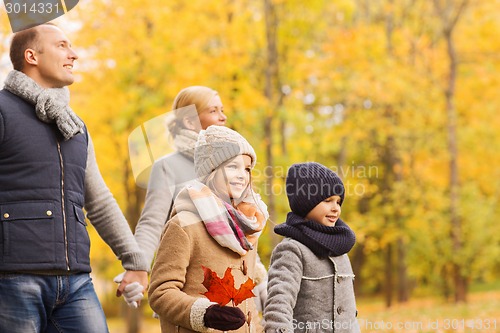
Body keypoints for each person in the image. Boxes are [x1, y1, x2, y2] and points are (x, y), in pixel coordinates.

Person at [0, 23, 148, 332]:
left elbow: (99, 199)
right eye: (62, 46)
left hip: (76, 282)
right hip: (12, 279)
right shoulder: (2, 111)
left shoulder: (75, 125)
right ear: (32, 56)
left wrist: (134, 261)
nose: (74, 55)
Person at [118, 86, 268, 311]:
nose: (223, 116)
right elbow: (152, 223)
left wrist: (261, 279)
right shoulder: (167, 166)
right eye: (214, 110)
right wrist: (138, 267)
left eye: (222, 110)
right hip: (193, 287)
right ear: (189, 122)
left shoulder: (233, 167)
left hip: (237, 283)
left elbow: (239, 232)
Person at [149, 125, 268, 333]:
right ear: (211, 170)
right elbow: (161, 292)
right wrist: (205, 313)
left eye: (247, 168)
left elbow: (248, 304)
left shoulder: (246, 227)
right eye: (233, 166)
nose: (242, 175)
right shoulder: (185, 224)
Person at [264, 162, 360, 333]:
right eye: (327, 200)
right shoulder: (291, 250)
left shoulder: (340, 245)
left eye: (338, 202)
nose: (335, 208)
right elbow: (279, 305)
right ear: (305, 203)